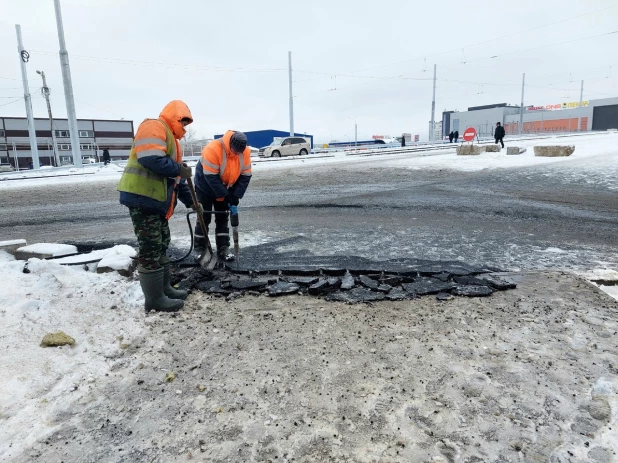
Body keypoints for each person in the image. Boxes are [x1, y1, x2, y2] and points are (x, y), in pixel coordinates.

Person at [117, 100, 196, 313]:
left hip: (156, 202)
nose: (185, 128)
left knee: (161, 244)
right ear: (174, 117)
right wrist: (178, 169)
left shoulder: (173, 142)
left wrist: (192, 203)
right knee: (151, 248)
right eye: (183, 122)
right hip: (143, 198)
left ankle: (165, 290)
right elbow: (150, 159)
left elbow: (176, 181)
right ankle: (154, 300)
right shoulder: (154, 126)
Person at [194, 130, 252, 261]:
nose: (238, 153)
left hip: (225, 184)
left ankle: (223, 248)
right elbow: (211, 177)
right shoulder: (213, 149)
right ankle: (199, 248)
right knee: (204, 216)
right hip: (205, 185)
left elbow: (245, 176)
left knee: (222, 216)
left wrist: (235, 195)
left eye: (240, 151)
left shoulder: (245, 153)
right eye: (235, 150)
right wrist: (224, 195)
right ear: (229, 144)